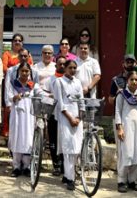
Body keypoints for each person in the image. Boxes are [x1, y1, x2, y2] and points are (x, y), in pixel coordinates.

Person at [115, 71, 137, 192]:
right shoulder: (122, 94)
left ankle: (132, 180)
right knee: (127, 154)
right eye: (132, 79)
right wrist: (119, 128)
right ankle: (121, 181)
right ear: (127, 81)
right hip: (126, 127)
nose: (134, 82)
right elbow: (118, 111)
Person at [6, 62, 42, 177]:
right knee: (16, 137)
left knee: (28, 138)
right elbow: (8, 97)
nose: (25, 73)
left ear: (30, 72)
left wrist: (48, 95)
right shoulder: (13, 83)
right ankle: (16, 166)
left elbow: (40, 93)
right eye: (23, 71)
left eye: (27, 71)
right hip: (17, 113)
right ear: (19, 72)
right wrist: (14, 97)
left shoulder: (33, 85)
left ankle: (26, 166)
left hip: (29, 114)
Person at [54, 59, 83, 191]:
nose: (72, 70)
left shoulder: (77, 82)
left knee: (76, 147)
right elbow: (60, 103)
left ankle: (67, 174)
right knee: (68, 149)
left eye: (74, 68)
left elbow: (81, 100)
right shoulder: (59, 82)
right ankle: (71, 179)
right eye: (70, 67)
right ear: (65, 68)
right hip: (66, 117)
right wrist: (70, 118)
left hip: (77, 118)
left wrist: (79, 116)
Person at [46, 55, 67, 176]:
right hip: (53, 114)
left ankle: (65, 165)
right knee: (53, 140)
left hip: (66, 115)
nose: (62, 66)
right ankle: (56, 165)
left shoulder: (70, 80)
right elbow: (46, 93)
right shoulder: (51, 80)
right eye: (60, 64)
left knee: (64, 140)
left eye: (64, 64)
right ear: (56, 65)